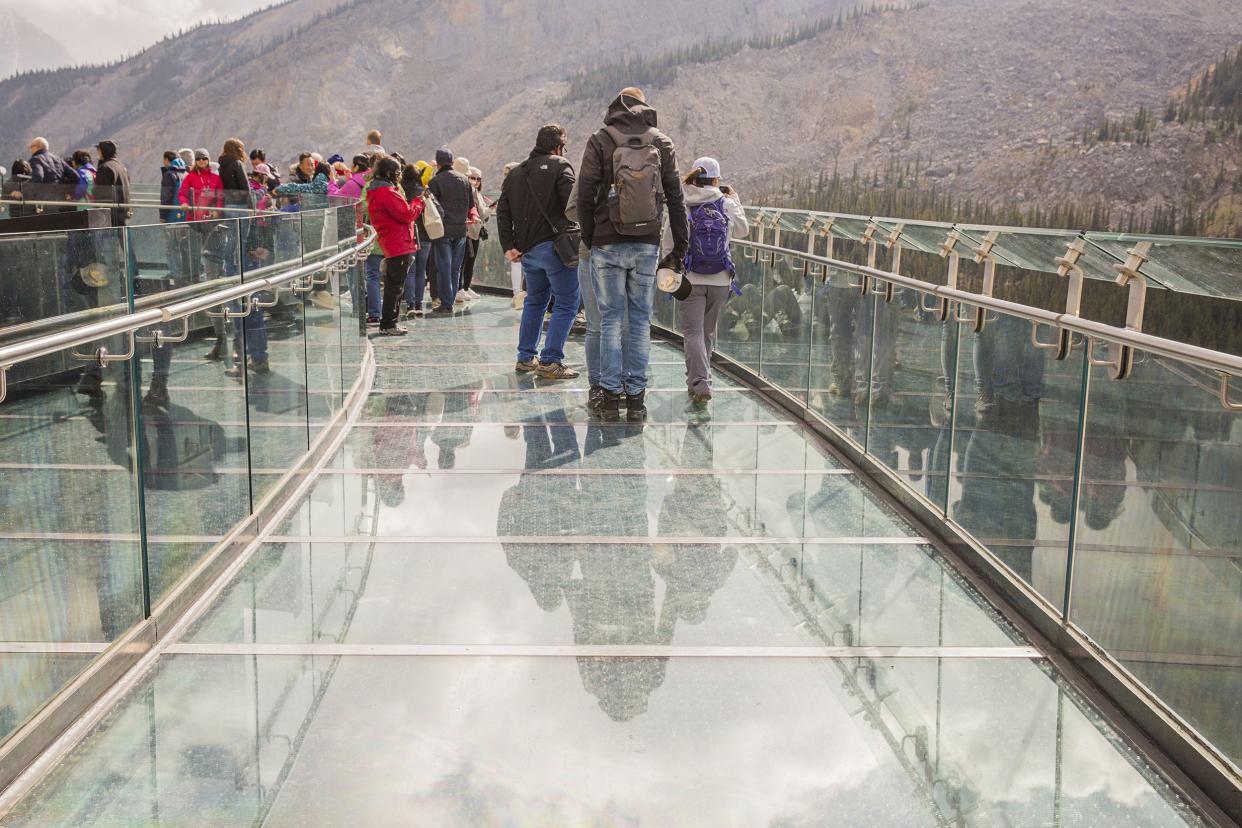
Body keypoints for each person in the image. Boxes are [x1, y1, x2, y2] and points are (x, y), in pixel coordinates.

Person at [578, 87, 688, 420]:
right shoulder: (662, 142)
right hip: (646, 242)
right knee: (640, 320)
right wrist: (678, 247)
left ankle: (610, 397)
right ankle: (636, 399)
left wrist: (589, 235)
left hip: (607, 241)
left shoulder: (600, 139)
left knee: (611, 317)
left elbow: (584, 193)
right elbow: (675, 198)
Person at [497, 124, 581, 380]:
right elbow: (572, 205)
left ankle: (525, 357)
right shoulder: (561, 166)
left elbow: (503, 211)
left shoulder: (515, 173)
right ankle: (550, 360)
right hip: (555, 248)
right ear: (558, 146)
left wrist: (509, 245)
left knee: (535, 300)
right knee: (567, 302)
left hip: (528, 252)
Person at [669, 157, 748, 407]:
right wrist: (735, 200)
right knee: (707, 332)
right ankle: (701, 379)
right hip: (721, 279)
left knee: (692, 332)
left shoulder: (682, 204)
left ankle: (699, 382)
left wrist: (672, 273)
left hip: (690, 278)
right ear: (716, 180)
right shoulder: (725, 203)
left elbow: (669, 242)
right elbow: (743, 230)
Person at [366, 156, 425, 335]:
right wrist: (418, 202)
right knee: (395, 285)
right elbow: (406, 214)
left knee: (394, 283)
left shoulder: (378, 190)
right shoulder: (386, 192)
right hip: (397, 241)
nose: (399, 176)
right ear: (390, 173)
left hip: (391, 240)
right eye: (398, 173)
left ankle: (389, 322)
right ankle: (389, 324)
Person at [427, 147, 474, 314]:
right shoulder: (465, 180)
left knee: (444, 267)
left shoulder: (435, 181)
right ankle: (450, 300)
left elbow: (432, 208)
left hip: (443, 230)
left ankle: (446, 304)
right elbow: (471, 205)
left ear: (438, 163)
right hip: (461, 229)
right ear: (452, 162)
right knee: (455, 267)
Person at [462, 165, 494, 300]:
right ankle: (463, 288)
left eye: (478, 179)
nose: (476, 181)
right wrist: (491, 209)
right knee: (467, 261)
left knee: (470, 261)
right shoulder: (473, 192)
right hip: (470, 231)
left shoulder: (475, 193)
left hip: (474, 231)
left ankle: (465, 288)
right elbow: (481, 212)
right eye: (472, 178)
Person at [502, 161, 525, 308]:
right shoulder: (525, 187)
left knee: (517, 264)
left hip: (516, 232)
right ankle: (520, 294)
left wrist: (507, 242)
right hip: (527, 231)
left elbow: (503, 216)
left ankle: (518, 294)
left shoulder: (508, 189)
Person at [93, 140, 131, 228]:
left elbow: (101, 192)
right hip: (122, 211)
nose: (97, 152)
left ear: (103, 151)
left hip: (111, 213)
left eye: (99, 149)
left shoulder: (106, 167)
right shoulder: (121, 166)